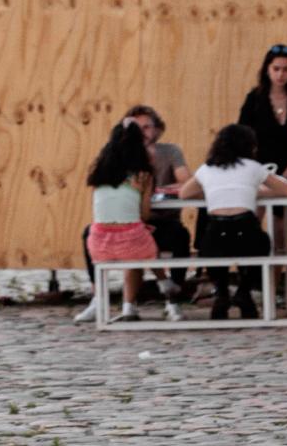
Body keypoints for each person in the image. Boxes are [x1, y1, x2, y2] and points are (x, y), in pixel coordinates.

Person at [191, 121, 274, 320]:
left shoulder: (207, 169)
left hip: (215, 237)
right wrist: (253, 188)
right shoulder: (253, 167)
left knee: (209, 244)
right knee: (262, 243)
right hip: (246, 234)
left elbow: (185, 193)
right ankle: (244, 291)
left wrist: (213, 190)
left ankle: (221, 292)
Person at [80, 117, 160, 317]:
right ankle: (138, 299)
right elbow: (144, 214)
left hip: (99, 243)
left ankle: (99, 300)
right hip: (131, 242)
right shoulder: (142, 175)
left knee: (134, 239)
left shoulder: (99, 173)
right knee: (144, 244)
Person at [132, 106, 198, 312]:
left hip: (164, 220)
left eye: (147, 127)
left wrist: (159, 189)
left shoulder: (170, 152)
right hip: (132, 223)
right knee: (90, 234)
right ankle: (99, 298)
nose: (142, 132)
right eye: (136, 128)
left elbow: (187, 183)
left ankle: (175, 293)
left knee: (180, 236)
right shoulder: (122, 155)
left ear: (157, 129)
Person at [237, 42, 287, 176]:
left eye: (286, 69)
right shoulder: (253, 99)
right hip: (260, 170)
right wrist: (257, 171)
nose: (280, 75)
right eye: (276, 69)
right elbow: (241, 139)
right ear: (267, 69)